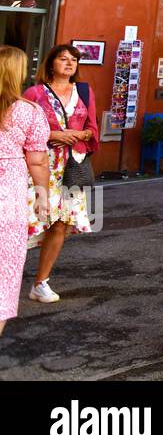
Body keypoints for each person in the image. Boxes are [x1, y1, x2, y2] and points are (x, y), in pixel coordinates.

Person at [23, 45, 99, 303]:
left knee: (61, 223)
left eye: (74, 60)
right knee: (24, 221)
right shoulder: (35, 93)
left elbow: (92, 127)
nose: (69, 63)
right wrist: (53, 134)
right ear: (51, 63)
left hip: (72, 167)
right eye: (63, 59)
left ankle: (40, 282)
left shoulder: (85, 92)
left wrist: (82, 135)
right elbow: (20, 129)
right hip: (40, 164)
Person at [1, 47, 49, 336]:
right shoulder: (28, 111)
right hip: (8, 195)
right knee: (4, 269)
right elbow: (37, 159)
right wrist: (42, 195)